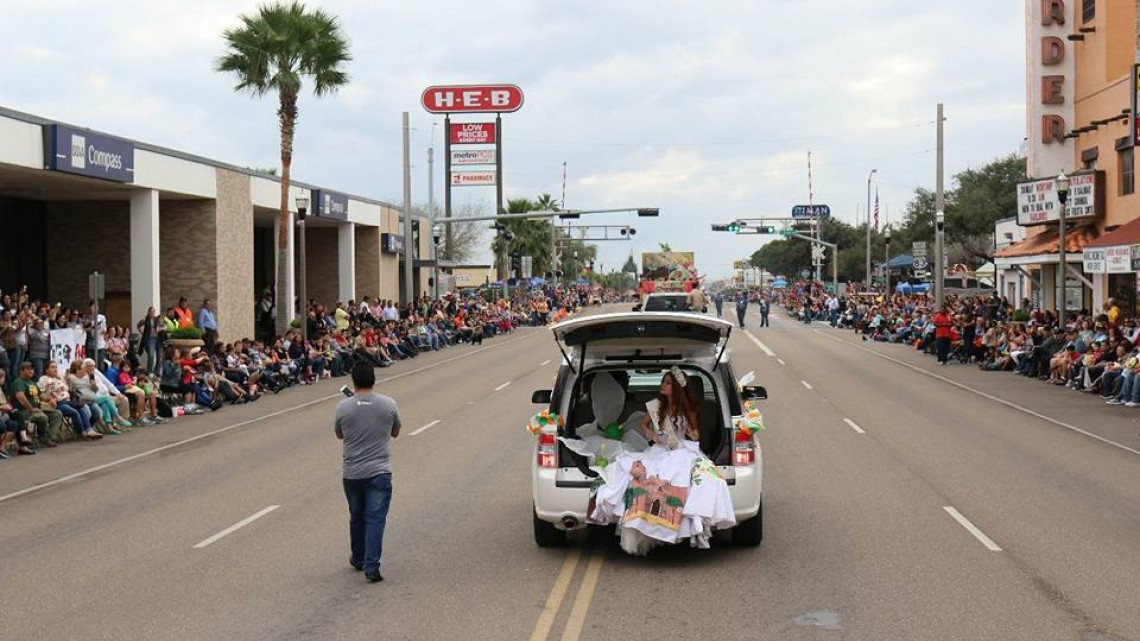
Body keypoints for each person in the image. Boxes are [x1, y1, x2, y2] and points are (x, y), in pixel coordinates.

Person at [336, 361, 401, 583]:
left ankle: (359, 556)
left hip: (352, 471)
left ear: (353, 382)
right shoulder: (388, 404)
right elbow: (395, 432)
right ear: (374, 379)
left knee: (357, 516)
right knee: (375, 518)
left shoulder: (343, 407)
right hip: (380, 470)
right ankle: (371, 566)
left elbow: (339, 434)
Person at [39, 360, 101, 440]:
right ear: (46, 370)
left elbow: (68, 389)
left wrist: (66, 382)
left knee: (81, 408)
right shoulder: (43, 379)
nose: (55, 369)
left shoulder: (60, 378)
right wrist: (50, 399)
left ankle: (89, 430)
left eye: (56, 367)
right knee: (74, 412)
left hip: (68, 400)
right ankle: (82, 433)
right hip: (58, 402)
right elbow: (41, 393)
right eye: (52, 367)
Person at [12, 361, 62, 448]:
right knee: (42, 417)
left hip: (38, 409)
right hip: (24, 411)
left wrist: (51, 400)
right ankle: (43, 437)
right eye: (28, 369)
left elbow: (41, 395)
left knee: (57, 413)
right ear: (21, 371)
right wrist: (31, 408)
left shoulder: (32, 383)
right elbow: (20, 397)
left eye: (32, 369)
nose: (31, 371)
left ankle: (47, 437)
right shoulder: (19, 382)